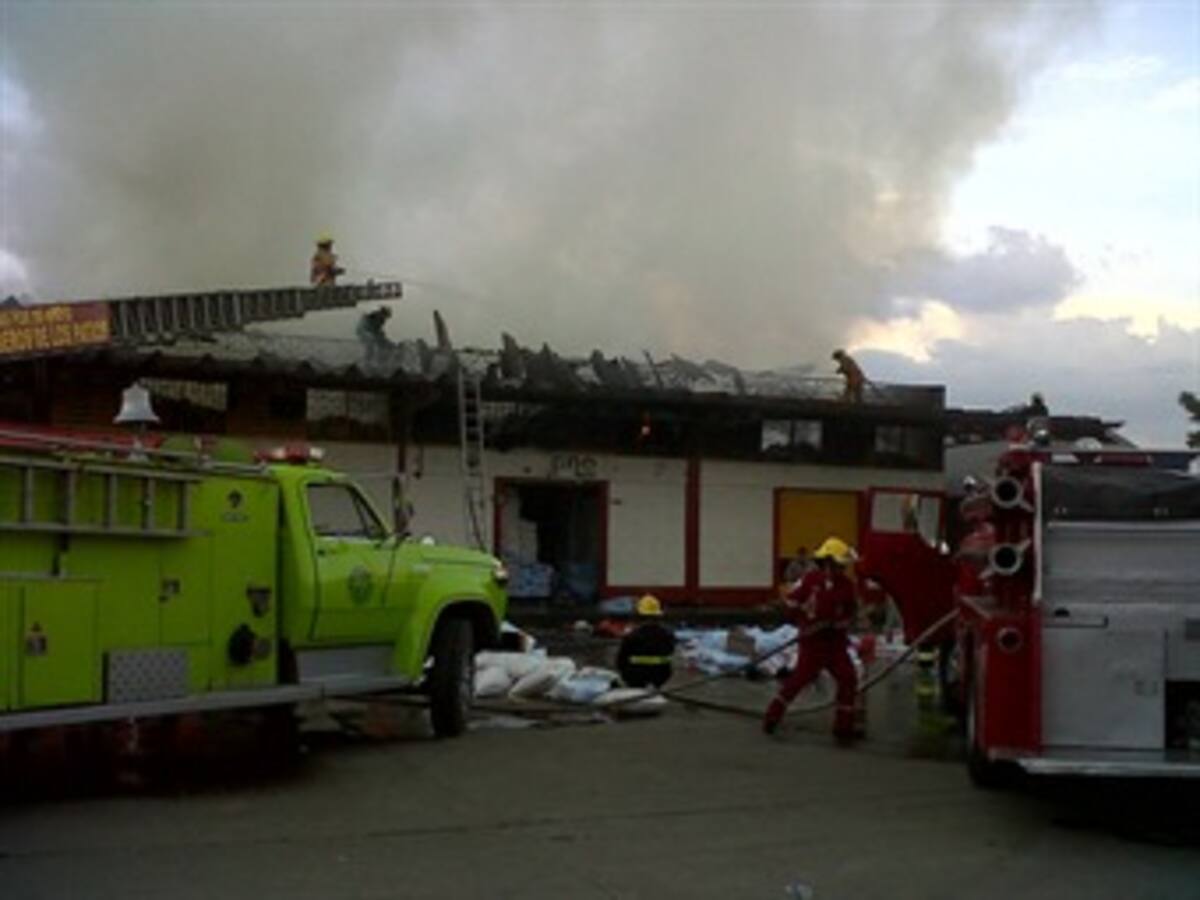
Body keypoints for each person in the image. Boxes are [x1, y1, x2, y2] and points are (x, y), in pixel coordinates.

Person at [763, 536, 861, 742]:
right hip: (812, 642)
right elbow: (793, 601)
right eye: (838, 565)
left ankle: (844, 729)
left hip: (835, 643)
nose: (841, 570)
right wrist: (796, 611)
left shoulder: (847, 586)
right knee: (799, 679)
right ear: (826, 562)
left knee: (848, 678)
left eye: (843, 566)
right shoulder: (811, 580)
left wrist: (841, 623)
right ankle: (772, 717)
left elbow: (851, 612)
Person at [616, 594, 676, 689]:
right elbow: (670, 652)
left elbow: (620, 661)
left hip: (635, 676)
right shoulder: (668, 634)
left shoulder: (632, 636)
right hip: (661, 675)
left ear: (639, 615)